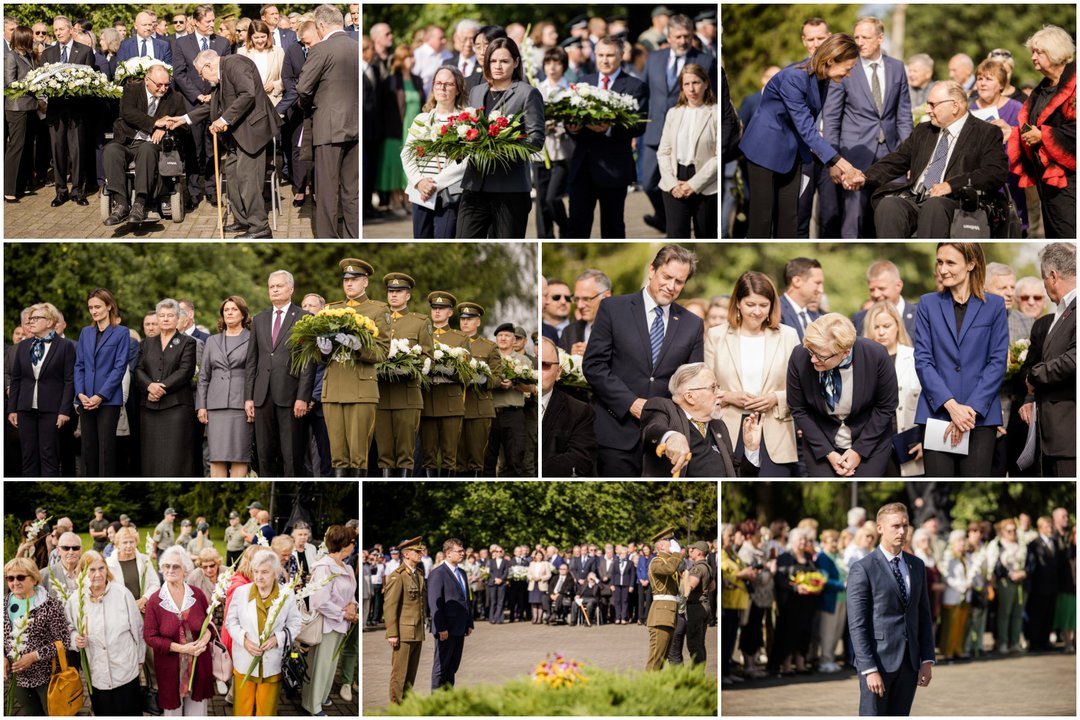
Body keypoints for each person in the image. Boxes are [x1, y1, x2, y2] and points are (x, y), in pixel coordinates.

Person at [582, 245, 705, 477]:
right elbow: (594, 365)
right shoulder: (613, 308)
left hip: (665, 441)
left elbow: (691, 383)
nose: (671, 286)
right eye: (666, 277)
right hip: (614, 432)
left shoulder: (693, 324)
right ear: (652, 270)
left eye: (679, 282)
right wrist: (630, 402)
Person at [739, 33, 862, 237]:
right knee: (762, 219)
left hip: (792, 153)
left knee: (789, 219)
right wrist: (844, 165)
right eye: (848, 68)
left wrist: (832, 163)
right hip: (763, 151)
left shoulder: (823, 78)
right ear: (831, 60)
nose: (849, 74)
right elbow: (806, 128)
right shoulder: (794, 78)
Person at [863, 81, 1009, 237]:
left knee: (934, 206)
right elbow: (897, 159)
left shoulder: (986, 132)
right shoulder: (923, 130)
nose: (927, 110)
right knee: (889, 204)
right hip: (915, 198)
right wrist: (864, 177)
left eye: (932, 105)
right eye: (927, 104)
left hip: (954, 202)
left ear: (954, 106)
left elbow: (995, 173)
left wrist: (950, 186)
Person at [913, 243, 1007, 477]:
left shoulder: (994, 305)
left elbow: (997, 361)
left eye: (950, 263)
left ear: (971, 264)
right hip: (937, 413)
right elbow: (923, 360)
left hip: (980, 416)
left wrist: (969, 410)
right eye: (939, 262)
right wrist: (952, 407)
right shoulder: (927, 304)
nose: (942, 269)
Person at [168, 50, 281, 239]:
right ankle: (242, 220)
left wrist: (224, 120)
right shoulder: (220, 78)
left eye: (199, 73)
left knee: (248, 179)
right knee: (232, 175)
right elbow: (212, 105)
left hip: (252, 132)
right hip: (237, 136)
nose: (201, 78)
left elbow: (248, 94)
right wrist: (183, 119)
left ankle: (260, 226)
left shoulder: (235, 63)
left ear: (208, 66)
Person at [822, 17, 913, 238]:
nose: (860, 42)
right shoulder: (845, 69)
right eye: (857, 37)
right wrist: (832, 160)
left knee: (892, 213)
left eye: (866, 37)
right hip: (853, 154)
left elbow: (903, 116)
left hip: (892, 154)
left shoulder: (897, 67)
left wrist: (912, 156)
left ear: (881, 38)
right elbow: (831, 117)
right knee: (854, 218)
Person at [705, 271, 800, 475]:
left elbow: (802, 388)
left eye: (763, 305)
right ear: (738, 303)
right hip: (728, 428)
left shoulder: (788, 336)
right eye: (750, 304)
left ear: (772, 305)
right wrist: (730, 396)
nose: (757, 312)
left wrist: (775, 398)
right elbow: (705, 387)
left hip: (776, 432)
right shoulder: (716, 336)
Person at [847, 503, 935, 716]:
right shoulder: (863, 569)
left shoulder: (917, 565)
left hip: (910, 662)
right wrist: (868, 669)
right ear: (880, 528)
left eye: (905, 525)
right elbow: (857, 624)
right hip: (878, 661)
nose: (902, 531)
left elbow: (923, 615)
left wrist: (927, 659)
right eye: (895, 526)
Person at [787, 313, 898, 476]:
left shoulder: (876, 355)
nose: (813, 360)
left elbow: (886, 407)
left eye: (821, 356)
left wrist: (858, 450)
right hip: (820, 441)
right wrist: (828, 453)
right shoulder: (799, 356)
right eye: (811, 352)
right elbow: (799, 408)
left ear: (845, 352)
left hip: (869, 438)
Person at [455, 36, 544, 238]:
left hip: (510, 188)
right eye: (493, 61)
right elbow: (467, 127)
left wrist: (501, 149)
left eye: (504, 61)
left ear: (516, 62)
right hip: (474, 185)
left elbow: (536, 140)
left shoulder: (527, 93)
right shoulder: (476, 92)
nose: (498, 66)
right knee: (463, 241)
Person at [564, 34, 648, 239]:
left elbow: (639, 125)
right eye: (600, 54)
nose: (605, 59)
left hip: (615, 167)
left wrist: (608, 129)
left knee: (613, 227)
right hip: (583, 166)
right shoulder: (584, 82)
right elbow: (570, 118)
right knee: (576, 226)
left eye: (610, 55)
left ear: (621, 56)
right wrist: (572, 128)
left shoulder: (635, 86)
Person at [640, 14, 714, 234]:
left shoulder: (705, 60)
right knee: (648, 182)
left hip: (692, 134)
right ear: (668, 36)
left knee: (691, 186)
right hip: (654, 129)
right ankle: (664, 217)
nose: (683, 41)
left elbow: (714, 97)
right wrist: (636, 127)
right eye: (678, 36)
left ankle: (682, 219)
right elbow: (644, 93)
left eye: (686, 36)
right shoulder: (654, 58)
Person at [322, 259, 390, 476]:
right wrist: (322, 351)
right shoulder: (331, 309)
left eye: (354, 280)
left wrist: (360, 347)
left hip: (361, 389)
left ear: (365, 282)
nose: (349, 284)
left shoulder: (378, 310)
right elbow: (320, 354)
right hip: (333, 388)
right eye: (346, 280)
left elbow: (383, 351)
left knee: (359, 453)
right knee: (337, 454)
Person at [244, 271, 315, 477]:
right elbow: (252, 361)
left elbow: (308, 363)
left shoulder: (304, 318)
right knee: (264, 453)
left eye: (279, 286)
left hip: (291, 396)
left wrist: (303, 397)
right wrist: (249, 397)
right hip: (262, 397)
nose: (274, 290)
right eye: (271, 287)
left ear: (291, 289)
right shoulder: (259, 319)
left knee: (291, 454)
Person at [1007, 25, 1075, 238]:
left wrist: (1043, 136)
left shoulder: (1074, 85)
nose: (1033, 57)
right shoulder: (1043, 89)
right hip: (1046, 181)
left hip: (1070, 182)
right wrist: (1012, 131)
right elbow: (1030, 124)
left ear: (1055, 52)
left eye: (1039, 52)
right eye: (1033, 52)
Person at [296, 5, 359, 239]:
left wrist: (307, 104)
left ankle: (328, 238)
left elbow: (303, 88)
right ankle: (354, 235)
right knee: (352, 191)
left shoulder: (321, 49)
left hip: (329, 129)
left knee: (326, 192)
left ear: (321, 26)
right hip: (356, 127)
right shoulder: (357, 47)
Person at [102, 63, 188, 225]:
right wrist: (156, 123)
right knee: (111, 150)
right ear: (147, 80)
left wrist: (167, 128)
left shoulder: (175, 98)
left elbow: (184, 125)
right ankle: (121, 204)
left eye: (167, 84)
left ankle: (139, 204)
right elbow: (128, 113)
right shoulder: (132, 90)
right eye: (159, 85)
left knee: (147, 149)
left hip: (152, 146)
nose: (163, 89)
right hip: (127, 141)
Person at [642, 362, 760, 477]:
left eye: (718, 387)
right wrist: (671, 437)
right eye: (713, 388)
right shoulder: (664, 407)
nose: (720, 394)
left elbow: (735, 478)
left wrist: (751, 449)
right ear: (690, 397)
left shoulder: (719, 426)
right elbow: (651, 431)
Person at [64, 550, 145, 715]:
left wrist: (139, 659)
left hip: (125, 670)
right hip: (98, 673)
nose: (98, 574)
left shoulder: (122, 593)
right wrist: (74, 640)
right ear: (83, 572)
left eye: (101, 568)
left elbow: (138, 629)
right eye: (92, 570)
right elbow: (68, 627)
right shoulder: (75, 600)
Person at [1021, 243, 1076, 477]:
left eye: (1043, 279)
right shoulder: (1062, 311)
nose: (1044, 286)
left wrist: (1035, 375)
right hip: (1054, 436)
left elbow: (1074, 360)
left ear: (1053, 276)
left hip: (1070, 436)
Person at [224, 549, 300, 716]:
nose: (259, 576)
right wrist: (244, 641)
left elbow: (295, 624)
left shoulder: (286, 595)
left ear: (276, 572)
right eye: (256, 571)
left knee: (266, 711)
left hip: (272, 663)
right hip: (245, 661)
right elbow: (231, 622)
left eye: (264, 572)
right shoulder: (241, 593)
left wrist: (277, 639)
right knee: (242, 710)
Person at [171, 4, 230, 210]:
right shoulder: (182, 44)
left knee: (213, 148)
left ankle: (213, 190)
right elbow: (179, 73)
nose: (213, 24)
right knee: (194, 149)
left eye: (214, 20)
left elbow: (225, 71)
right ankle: (194, 191)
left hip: (216, 102)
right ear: (195, 22)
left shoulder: (222, 43)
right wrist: (197, 95)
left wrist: (213, 95)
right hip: (192, 102)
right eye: (208, 21)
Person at [142, 545, 213, 715]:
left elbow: (208, 626)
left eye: (176, 566)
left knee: (197, 711)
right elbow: (150, 637)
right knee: (173, 712)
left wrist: (204, 640)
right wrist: (182, 649)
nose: (170, 570)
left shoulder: (197, 595)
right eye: (167, 566)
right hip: (170, 666)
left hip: (198, 663)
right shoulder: (155, 600)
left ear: (186, 571)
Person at [6, 302, 75, 477]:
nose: (31, 321)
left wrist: (64, 410)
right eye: (30, 318)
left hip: (51, 410)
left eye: (36, 318)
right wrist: (12, 409)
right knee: (28, 455)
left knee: (49, 455)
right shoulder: (23, 346)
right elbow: (16, 379)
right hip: (25, 408)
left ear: (50, 322)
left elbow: (69, 380)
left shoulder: (65, 346)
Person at [375, 273, 433, 476]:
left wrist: (410, 368)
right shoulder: (377, 321)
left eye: (398, 292)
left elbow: (428, 356)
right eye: (391, 291)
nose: (393, 295)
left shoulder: (419, 322)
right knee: (384, 453)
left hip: (407, 395)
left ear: (408, 295)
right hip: (381, 394)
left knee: (405, 452)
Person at [401, 64, 467, 238]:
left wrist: (433, 184)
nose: (442, 87)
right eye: (438, 83)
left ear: (458, 89)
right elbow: (407, 154)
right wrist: (419, 182)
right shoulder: (422, 119)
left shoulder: (465, 120)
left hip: (447, 194)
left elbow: (465, 162)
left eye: (448, 84)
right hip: (420, 194)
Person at [300, 524, 358, 715]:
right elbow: (319, 601)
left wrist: (353, 606)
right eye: (352, 542)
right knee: (320, 664)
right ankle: (312, 705)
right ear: (344, 544)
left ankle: (323, 696)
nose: (354, 545)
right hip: (327, 624)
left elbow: (351, 593)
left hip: (342, 623)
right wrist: (344, 613)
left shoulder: (347, 567)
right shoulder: (324, 568)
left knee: (332, 664)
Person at [3, 556, 72, 715]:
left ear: (34, 579)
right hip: (18, 678)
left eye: (20, 577)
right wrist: (4, 657)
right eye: (10, 578)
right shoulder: (3, 604)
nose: (15, 582)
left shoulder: (49, 605)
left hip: (47, 678)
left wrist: (34, 656)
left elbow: (64, 641)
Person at [136, 298, 197, 477]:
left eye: (170, 315)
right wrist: (149, 386)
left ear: (177, 318)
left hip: (176, 407)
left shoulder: (187, 342)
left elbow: (185, 371)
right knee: (151, 456)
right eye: (161, 315)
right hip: (149, 408)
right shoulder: (147, 343)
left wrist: (160, 388)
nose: (165, 319)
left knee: (176, 455)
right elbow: (138, 369)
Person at [863, 301, 923, 476]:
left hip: (910, 444)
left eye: (886, 326)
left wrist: (924, 440)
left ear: (898, 325)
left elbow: (927, 403)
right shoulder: (862, 362)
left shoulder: (915, 358)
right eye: (876, 327)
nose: (881, 332)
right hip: (875, 446)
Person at [657, 63, 717, 238]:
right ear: (682, 87)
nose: (692, 89)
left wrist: (694, 184)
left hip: (706, 182)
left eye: (696, 82)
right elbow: (664, 152)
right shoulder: (673, 113)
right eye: (687, 84)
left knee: (706, 235)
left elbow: (718, 156)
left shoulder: (716, 113)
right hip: (674, 178)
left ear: (706, 83)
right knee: (676, 235)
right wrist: (673, 184)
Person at [74, 288, 130, 477]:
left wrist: (100, 395)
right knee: (87, 448)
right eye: (90, 307)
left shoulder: (121, 332)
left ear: (109, 306)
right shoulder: (85, 333)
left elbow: (120, 367)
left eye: (97, 306)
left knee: (106, 448)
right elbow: (79, 365)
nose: (93, 311)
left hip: (108, 400)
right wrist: (80, 394)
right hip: (85, 399)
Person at [196, 295, 253, 477]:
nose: (229, 313)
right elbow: (204, 376)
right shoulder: (212, 341)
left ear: (243, 314)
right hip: (216, 406)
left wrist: (252, 400)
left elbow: (256, 373)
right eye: (226, 310)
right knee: (216, 456)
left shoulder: (252, 339)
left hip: (241, 404)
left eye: (234, 309)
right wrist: (201, 405)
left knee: (239, 456)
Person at [42, 16, 95, 207]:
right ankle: (60, 192)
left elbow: (91, 82)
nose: (58, 33)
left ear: (70, 29)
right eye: (55, 30)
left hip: (78, 110)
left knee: (77, 151)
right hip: (56, 111)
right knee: (57, 151)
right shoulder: (48, 53)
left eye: (61, 29)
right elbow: (43, 81)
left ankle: (78, 192)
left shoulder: (85, 51)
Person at [971, 59, 1028, 230]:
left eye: (989, 79)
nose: (982, 83)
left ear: (1001, 85)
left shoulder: (1017, 107)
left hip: (1010, 180)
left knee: (1012, 226)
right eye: (980, 78)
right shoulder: (969, 109)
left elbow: (1027, 138)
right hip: (979, 180)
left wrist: (1009, 132)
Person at [419, 292, 468, 476]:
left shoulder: (460, 338)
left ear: (450, 313)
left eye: (442, 309)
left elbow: (467, 374)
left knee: (449, 456)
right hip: (427, 399)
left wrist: (450, 371)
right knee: (428, 455)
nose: (437, 311)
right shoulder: (422, 334)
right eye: (434, 308)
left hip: (450, 402)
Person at [455, 302, 501, 477]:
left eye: (470, 319)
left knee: (477, 458)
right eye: (462, 319)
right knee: (457, 459)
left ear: (478, 322)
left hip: (479, 408)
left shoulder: (489, 347)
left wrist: (480, 379)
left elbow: (496, 378)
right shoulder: (451, 344)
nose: (465, 322)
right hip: (454, 405)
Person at [539, 338, 595, 477]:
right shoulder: (509, 409)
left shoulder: (579, 412)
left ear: (558, 372)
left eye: (544, 365)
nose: (537, 371)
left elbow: (580, 459)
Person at [384, 536, 425, 704]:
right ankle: (396, 708)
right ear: (406, 554)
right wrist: (392, 633)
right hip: (403, 632)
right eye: (417, 551)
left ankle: (406, 705)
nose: (421, 553)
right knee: (399, 674)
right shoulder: (398, 576)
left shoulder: (418, 574)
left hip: (416, 631)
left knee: (411, 673)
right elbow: (390, 606)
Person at [4, 26, 43, 203]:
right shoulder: (11, 56)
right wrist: (29, 83)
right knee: (16, 147)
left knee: (27, 147)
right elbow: (9, 83)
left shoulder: (29, 56)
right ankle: (8, 189)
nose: (33, 40)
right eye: (30, 38)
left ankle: (21, 185)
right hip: (17, 107)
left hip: (30, 107)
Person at [645, 527, 682, 670]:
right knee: (656, 659)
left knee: (662, 658)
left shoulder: (671, 561)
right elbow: (668, 570)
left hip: (669, 613)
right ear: (660, 545)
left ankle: (656, 688)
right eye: (669, 541)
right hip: (661, 614)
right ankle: (648, 688)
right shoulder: (656, 562)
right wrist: (677, 554)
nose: (673, 543)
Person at [851, 261, 917, 341]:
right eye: (872, 290)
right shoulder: (860, 319)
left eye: (881, 288)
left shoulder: (919, 316)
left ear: (898, 286)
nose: (876, 294)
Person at [559, 270, 612, 356]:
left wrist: (592, 355)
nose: (579, 305)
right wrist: (572, 359)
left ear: (605, 297)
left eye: (586, 299)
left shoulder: (622, 328)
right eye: (576, 299)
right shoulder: (569, 332)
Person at [235, 19, 284, 107]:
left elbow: (285, 78)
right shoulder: (242, 52)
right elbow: (238, 79)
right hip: (251, 103)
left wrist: (274, 85)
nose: (260, 41)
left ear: (268, 36)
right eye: (256, 37)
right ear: (250, 37)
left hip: (273, 101)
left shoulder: (278, 52)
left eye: (263, 36)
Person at [779, 258, 824, 342]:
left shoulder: (817, 317)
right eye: (817, 283)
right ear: (797, 281)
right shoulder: (776, 312)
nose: (821, 290)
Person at [526, 549, 553, 624]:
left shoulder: (545, 563)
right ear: (535, 556)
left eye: (540, 555)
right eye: (537, 555)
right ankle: (534, 618)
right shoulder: (531, 563)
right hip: (533, 584)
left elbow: (549, 575)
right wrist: (532, 577)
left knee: (540, 602)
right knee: (533, 602)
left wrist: (541, 578)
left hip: (542, 584)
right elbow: (528, 574)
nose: (539, 556)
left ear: (542, 556)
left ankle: (539, 619)